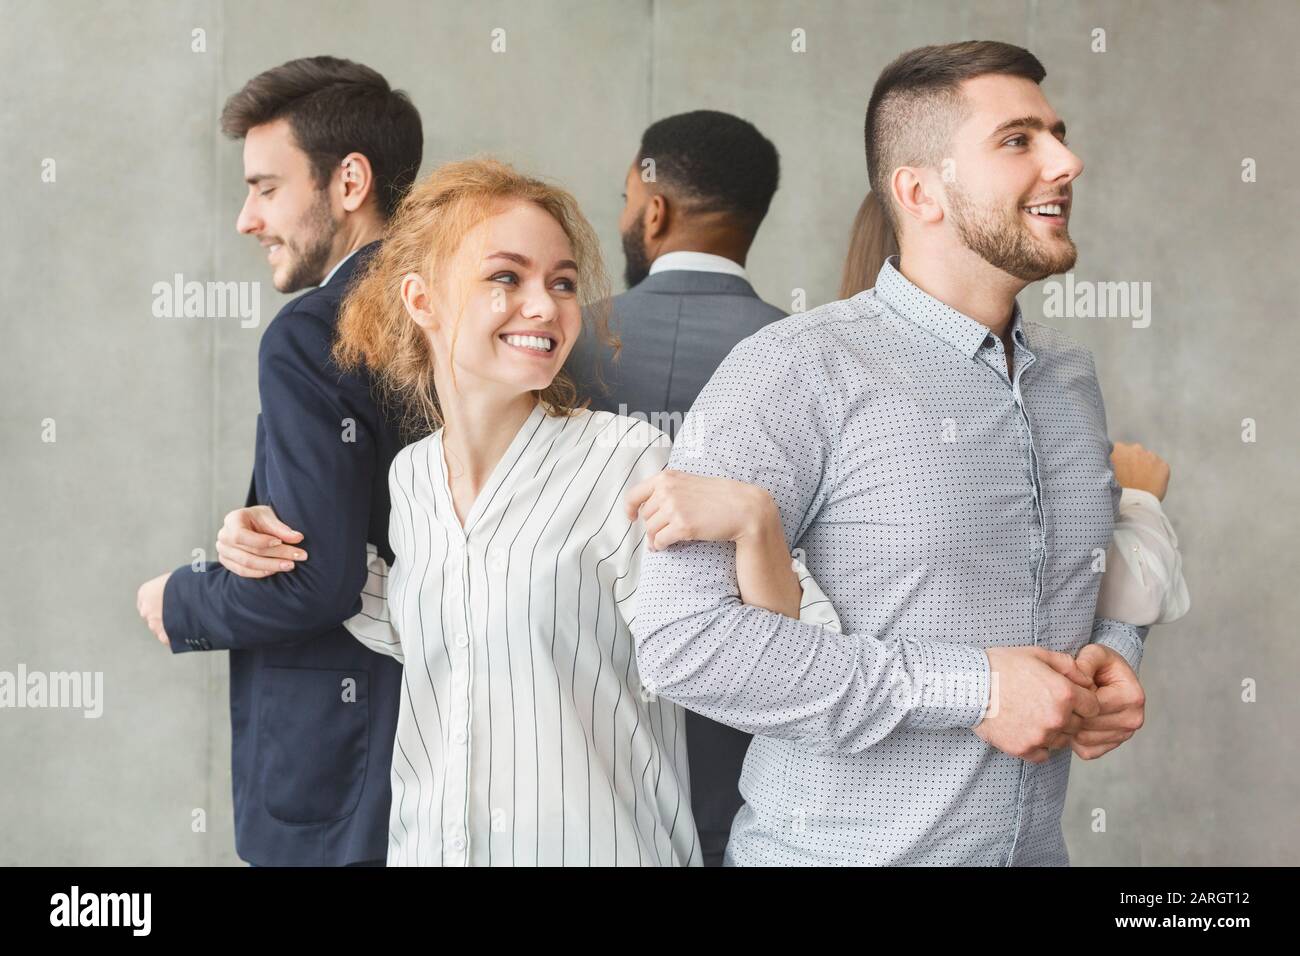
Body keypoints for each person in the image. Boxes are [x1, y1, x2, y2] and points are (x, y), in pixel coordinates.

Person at [631, 40, 1173, 866]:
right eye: (1019, 140)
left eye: (1056, 133)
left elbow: (1073, 583)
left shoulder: (1070, 380)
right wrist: (975, 688)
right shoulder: (793, 368)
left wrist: (1113, 657)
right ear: (918, 191)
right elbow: (687, 643)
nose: (1069, 160)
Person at [214, 157, 840, 866]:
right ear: (423, 300)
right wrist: (271, 535)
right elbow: (430, 618)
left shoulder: (623, 462)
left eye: (563, 282)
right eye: (507, 278)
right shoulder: (413, 478)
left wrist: (757, 521)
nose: (545, 306)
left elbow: (792, 660)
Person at [133, 56, 423, 866]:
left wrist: (181, 599)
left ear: (349, 181)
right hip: (451, 757)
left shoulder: (313, 334)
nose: (246, 219)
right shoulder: (463, 310)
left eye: (265, 187)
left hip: (337, 779)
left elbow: (316, 578)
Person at [565, 110, 788, 866]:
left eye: (629, 198)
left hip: (579, 737)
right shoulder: (807, 355)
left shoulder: (560, 342)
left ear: (654, 210)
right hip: (750, 751)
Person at [839, 193, 1190, 628]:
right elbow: (1137, 598)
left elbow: (1077, 598)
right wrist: (1139, 502)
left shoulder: (1062, 367)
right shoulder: (817, 370)